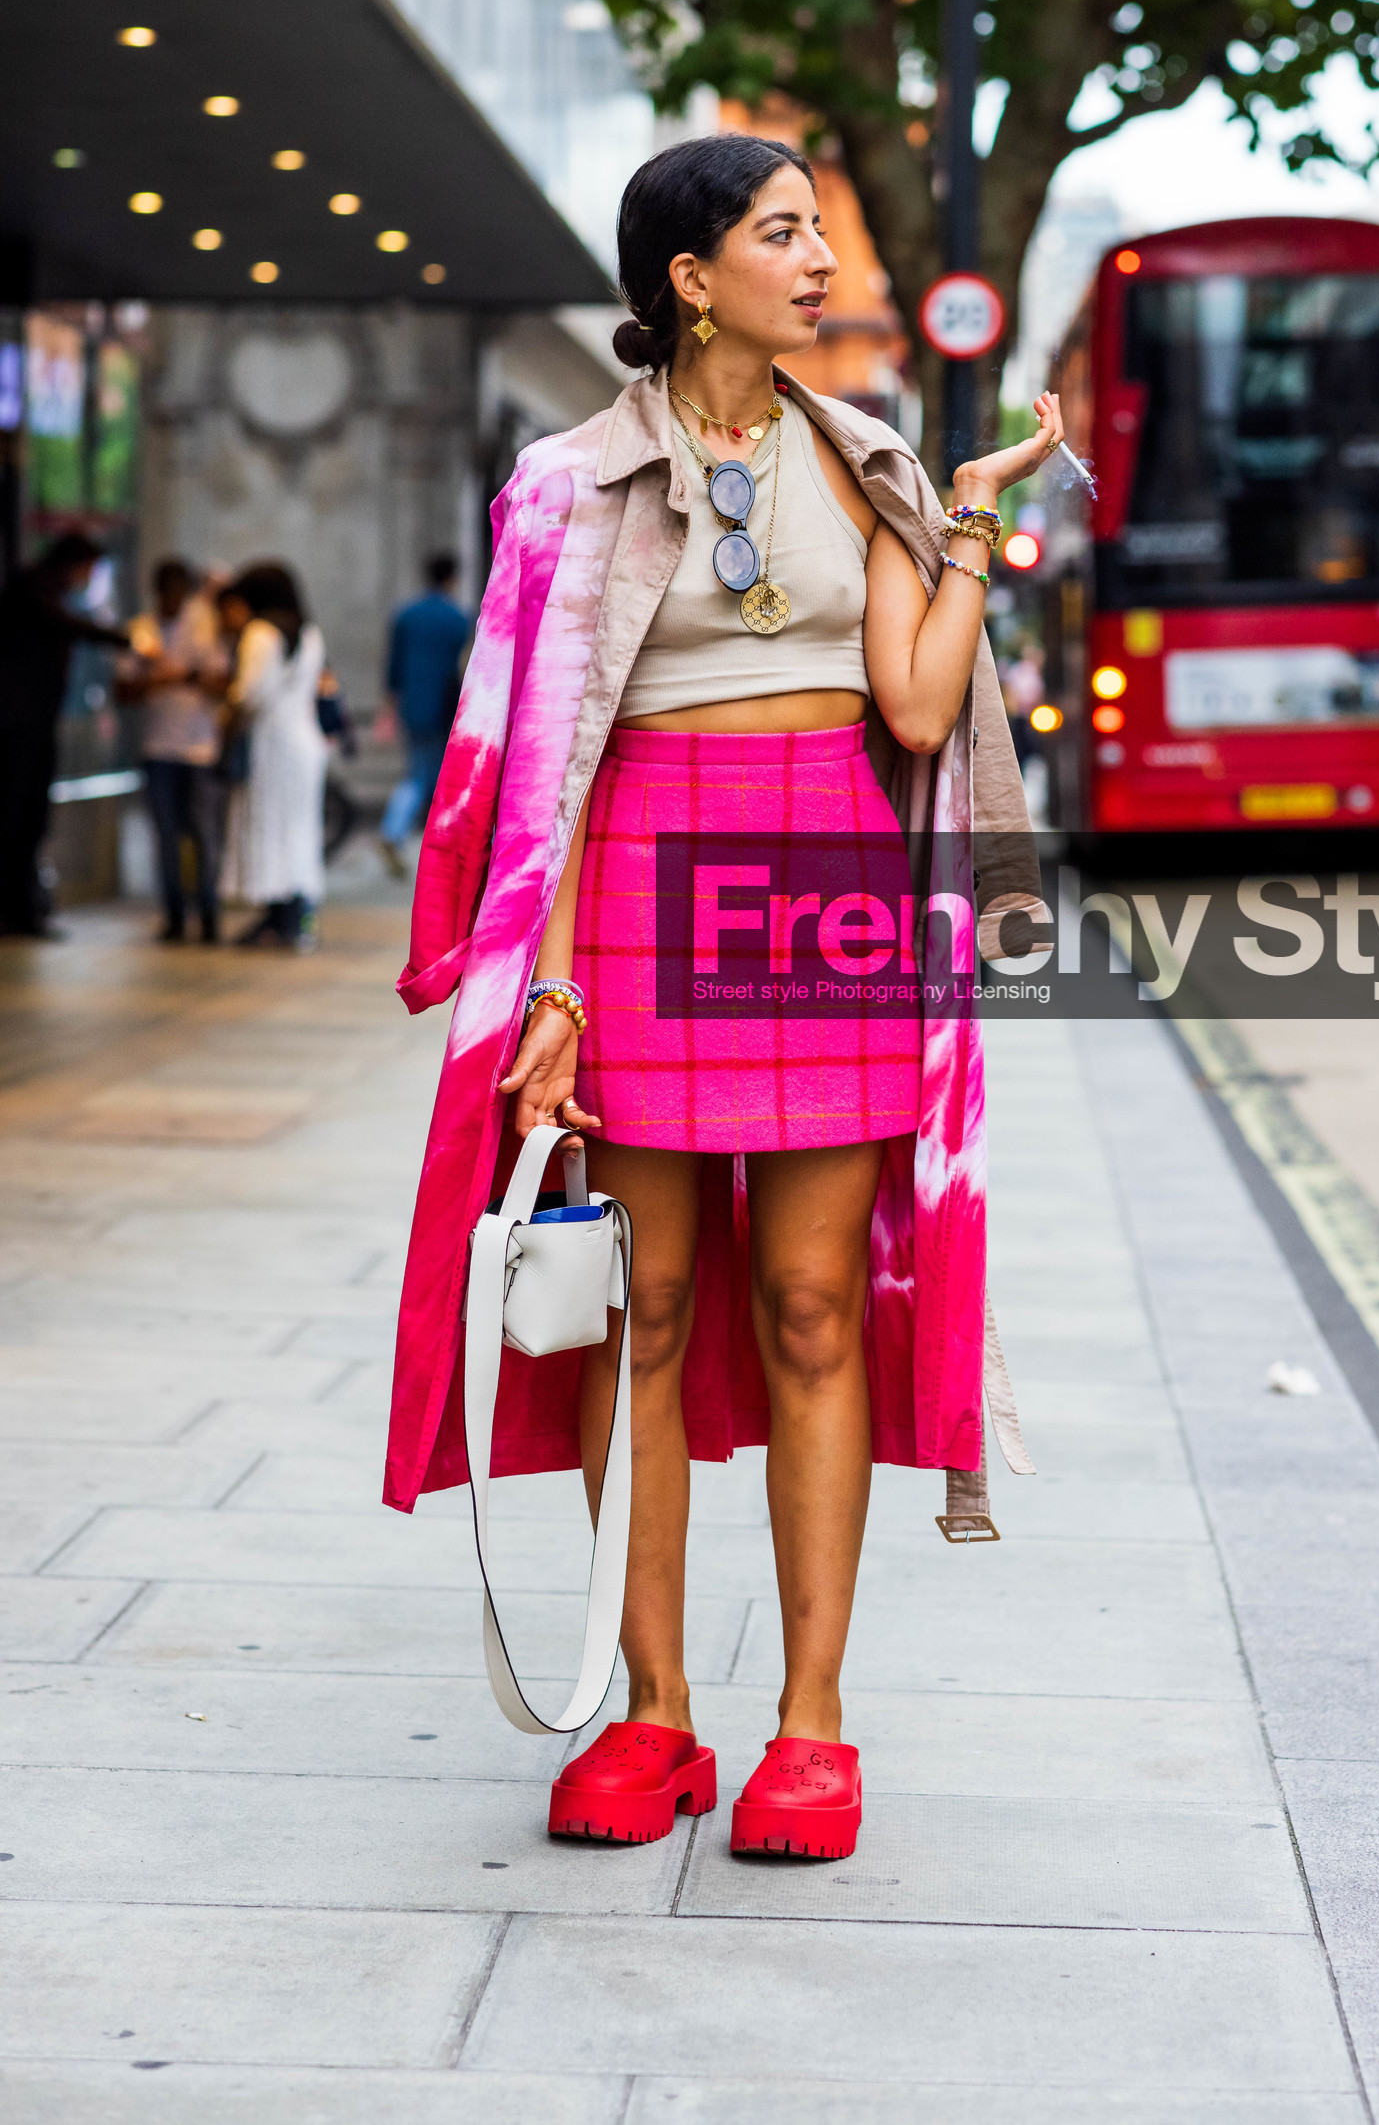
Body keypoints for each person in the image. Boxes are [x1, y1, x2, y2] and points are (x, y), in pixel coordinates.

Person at [385, 135, 1059, 1861]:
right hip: (627, 898)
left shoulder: (871, 460)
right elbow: (550, 752)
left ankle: (813, 1724)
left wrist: (971, 515)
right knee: (648, 1310)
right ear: (692, 277)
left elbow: (917, 706)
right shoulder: (566, 481)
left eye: (820, 232)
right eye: (785, 234)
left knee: (818, 1300)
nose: (821, 260)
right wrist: (545, 984)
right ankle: (655, 1710)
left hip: (824, 886)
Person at [0, 531, 130, 938]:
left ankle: (24, 910)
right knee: (14, 815)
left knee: (30, 818)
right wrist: (123, 639)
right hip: (18, 724)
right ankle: (15, 909)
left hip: (37, 722)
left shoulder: (49, 592)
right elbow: (62, 622)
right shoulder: (33, 586)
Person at [219, 562, 328, 952]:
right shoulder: (309, 631)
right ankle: (292, 914)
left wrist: (226, 709)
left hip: (273, 745)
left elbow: (249, 694)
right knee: (298, 830)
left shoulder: (260, 632)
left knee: (269, 826)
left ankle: (277, 913)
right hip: (305, 741)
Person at [121, 558, 229, 943]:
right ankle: (175, 916)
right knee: (165, 835)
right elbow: (124, 690)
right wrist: (153, 681)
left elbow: (224, 682)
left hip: (200, 747)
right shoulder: (142, 630)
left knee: (202, 834)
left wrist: (183, 675)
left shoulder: (204, 628)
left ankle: (209, 914)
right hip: (158, 746)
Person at [376, 553, 469, 875]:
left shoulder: (407, 614)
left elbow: (393, 665)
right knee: (426, 776)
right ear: (452, 578)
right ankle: (395, 829)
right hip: (445, 707)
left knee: (419, 772)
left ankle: (399, 830)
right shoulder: (458, 618)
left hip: (412, 706)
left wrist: (391, 704)